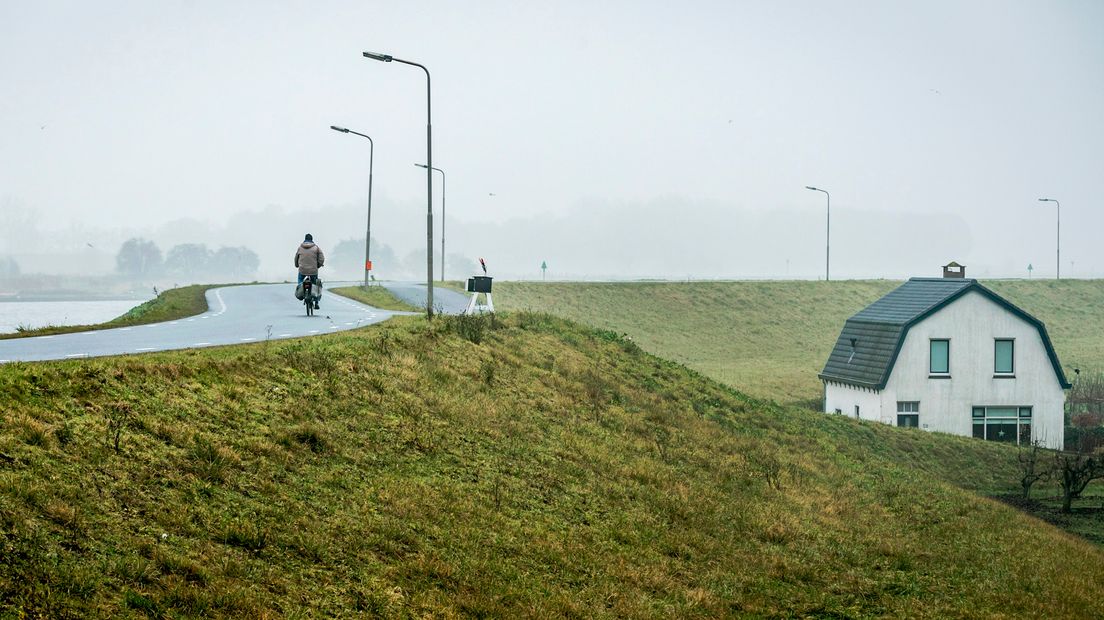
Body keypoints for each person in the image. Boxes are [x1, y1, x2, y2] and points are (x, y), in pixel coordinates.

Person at [294, 233, 325, 309]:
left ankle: (301, 292)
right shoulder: (316, 248)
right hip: (313, 270)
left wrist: (297, 265)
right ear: (312, 239)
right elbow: (322, 258)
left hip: (302, 270)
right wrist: (318, 265)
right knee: (315, 283)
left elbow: (296, 258)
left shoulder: (300, 248)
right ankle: (316, 302)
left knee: (300, 279)